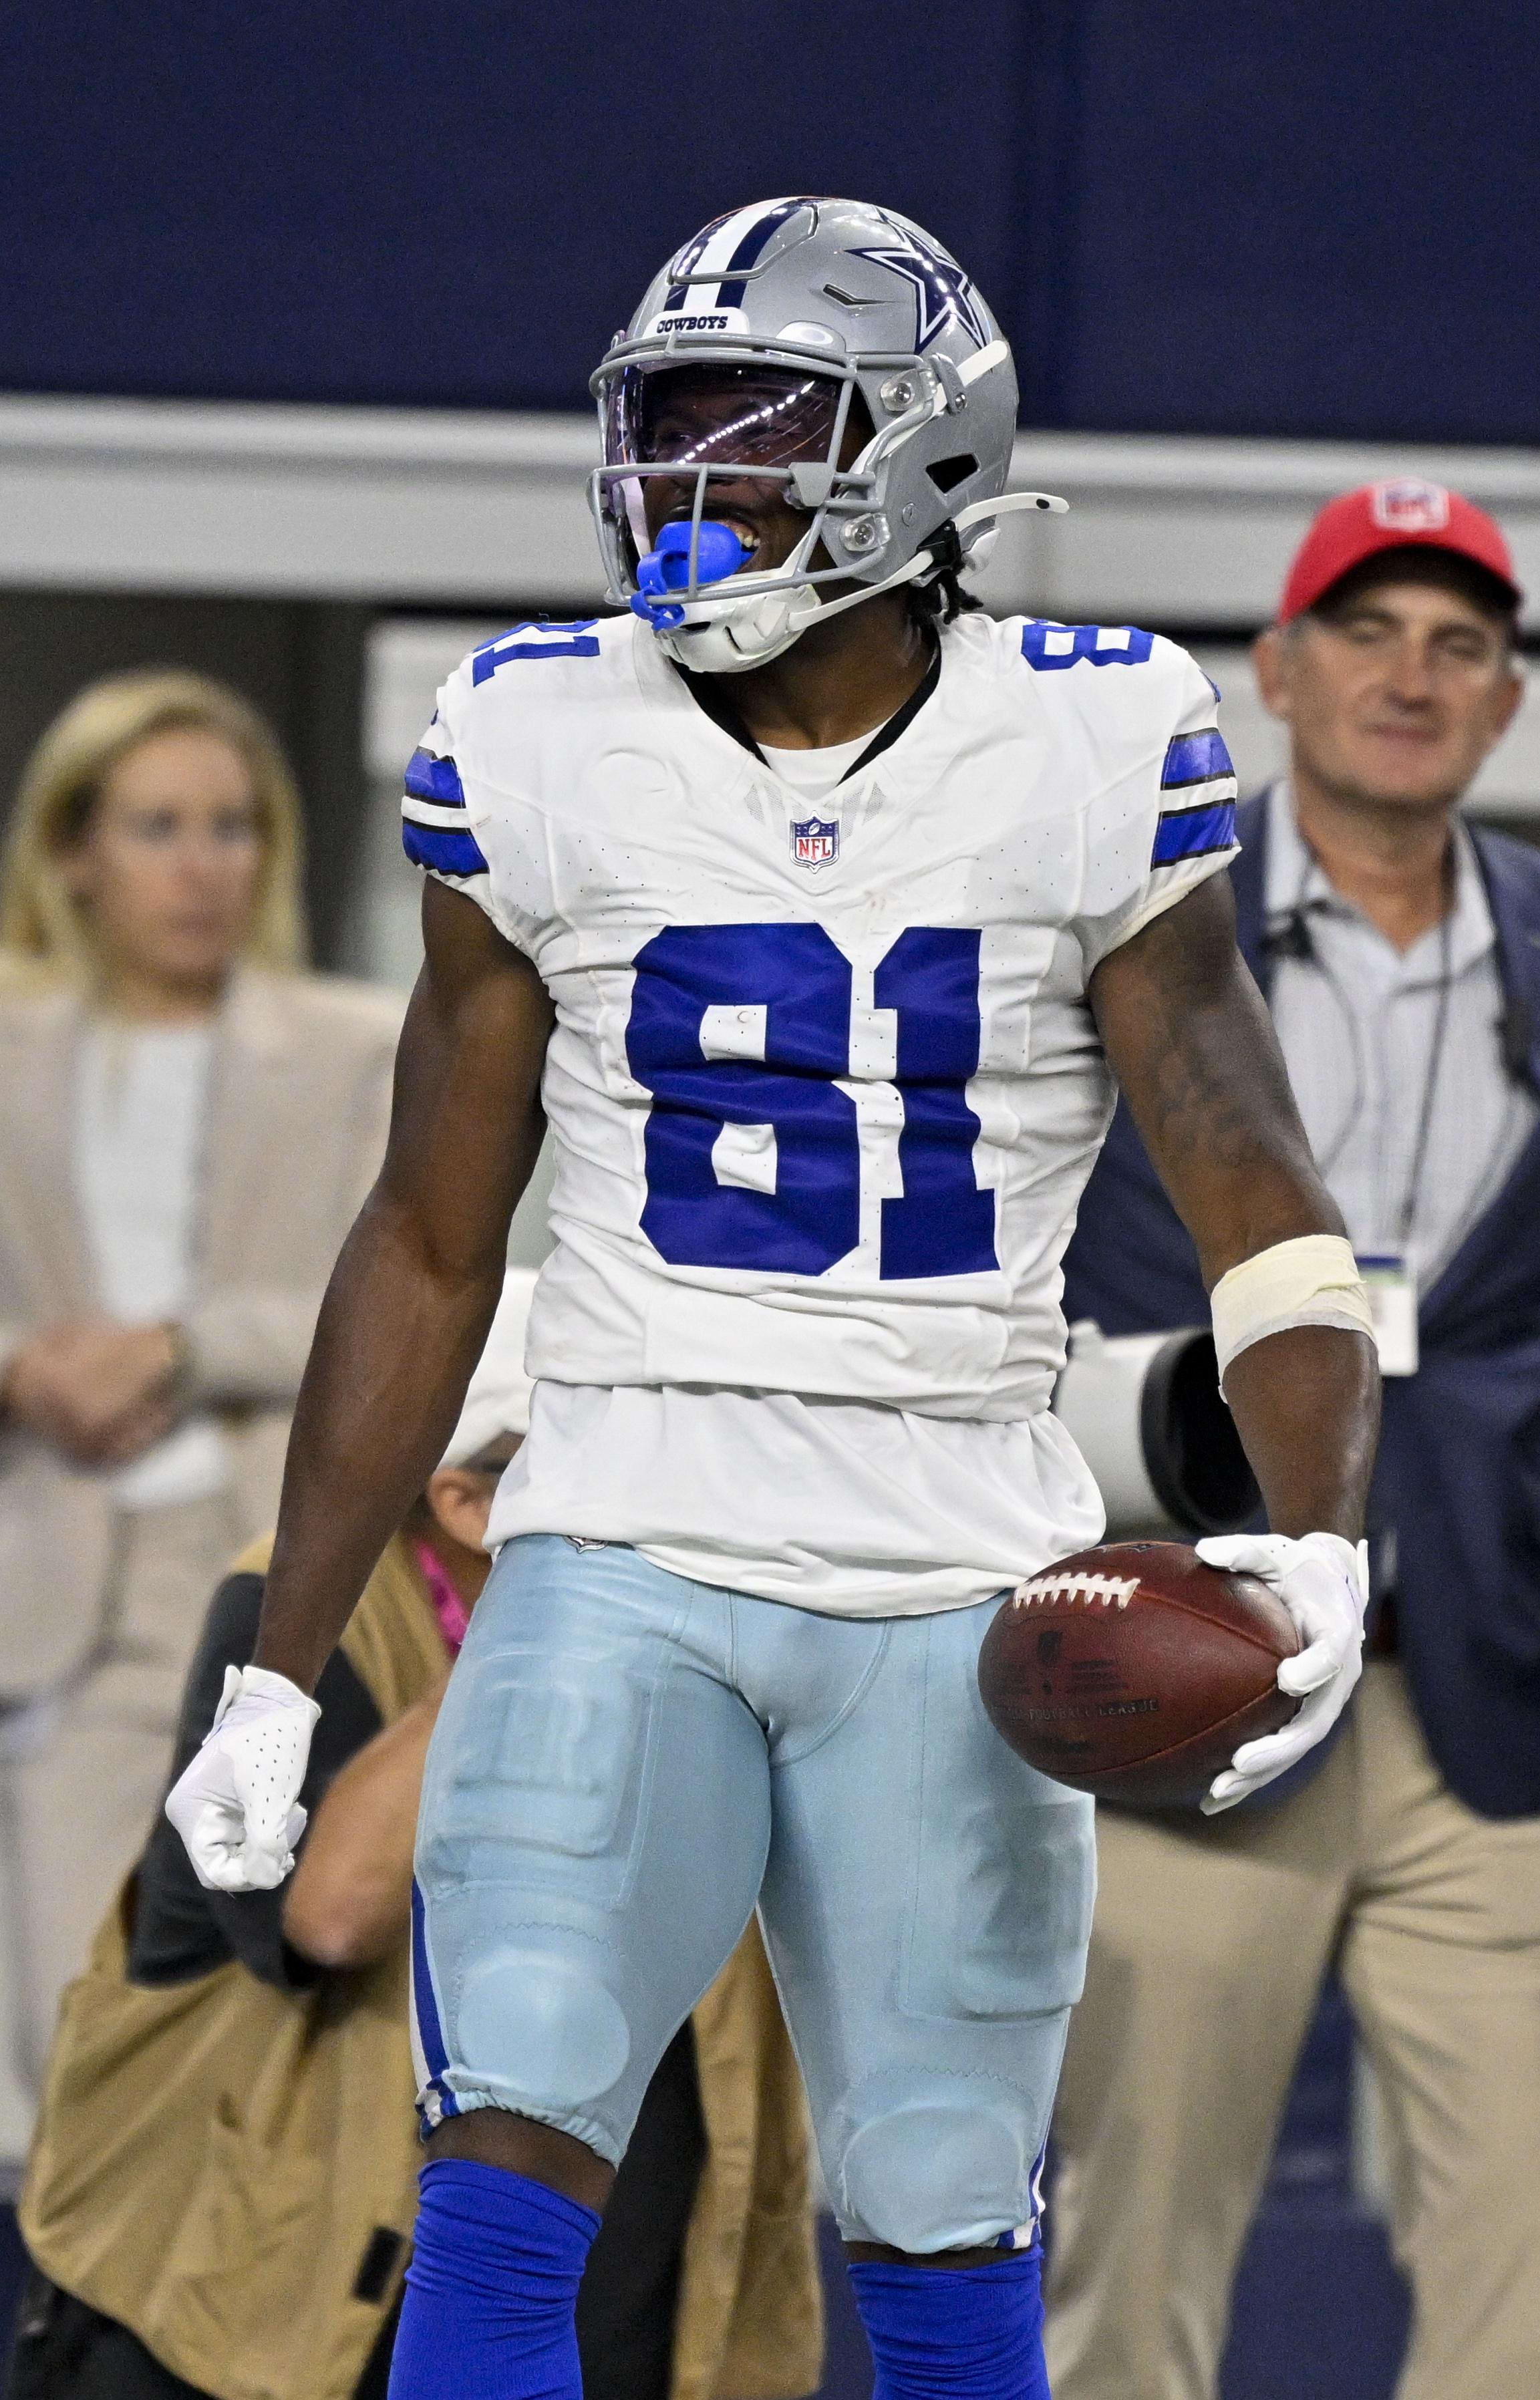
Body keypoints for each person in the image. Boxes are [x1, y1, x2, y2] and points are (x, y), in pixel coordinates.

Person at [165, 197, 1382, 2400]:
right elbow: (431, 1238)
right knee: (502, 2177)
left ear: (916, 461)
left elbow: (1244, 1171)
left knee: (934, 2224)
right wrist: (271, 1673)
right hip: (617, 1541)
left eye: (752, 437)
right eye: (662, 434)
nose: (684, 493)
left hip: (950, 1576)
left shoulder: (1083, 738)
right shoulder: (538, 735)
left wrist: (1312, 1539)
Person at [1044, 482, 1540, 2400]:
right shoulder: (1133, 941)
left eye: (1456, 644)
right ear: (1275, 673)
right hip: (1202, 1676)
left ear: (1506, 702)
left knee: (1524, 2265)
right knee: (1137, 2256)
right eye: (1365, 632)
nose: (1408, 675)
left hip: (1499, 1705)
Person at [9, 1272, 821, 2400]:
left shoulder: (734, 1625)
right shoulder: (273, 1611)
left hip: (602, 2292)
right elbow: (328, 1915)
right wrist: (532, 1634)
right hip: (231, 2319)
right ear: (466, 1505)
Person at [0, 670, 404, 2170]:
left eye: (232, 826)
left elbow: (417, 1292)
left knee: (270, 2013)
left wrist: (180, 1345)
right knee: (71, 2025)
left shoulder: (361, 1044)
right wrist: (23, 1367)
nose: (200, 863)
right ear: (75, 851)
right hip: (53, 1572)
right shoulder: (9, 1044)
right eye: (159, 824)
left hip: (274, 1568)